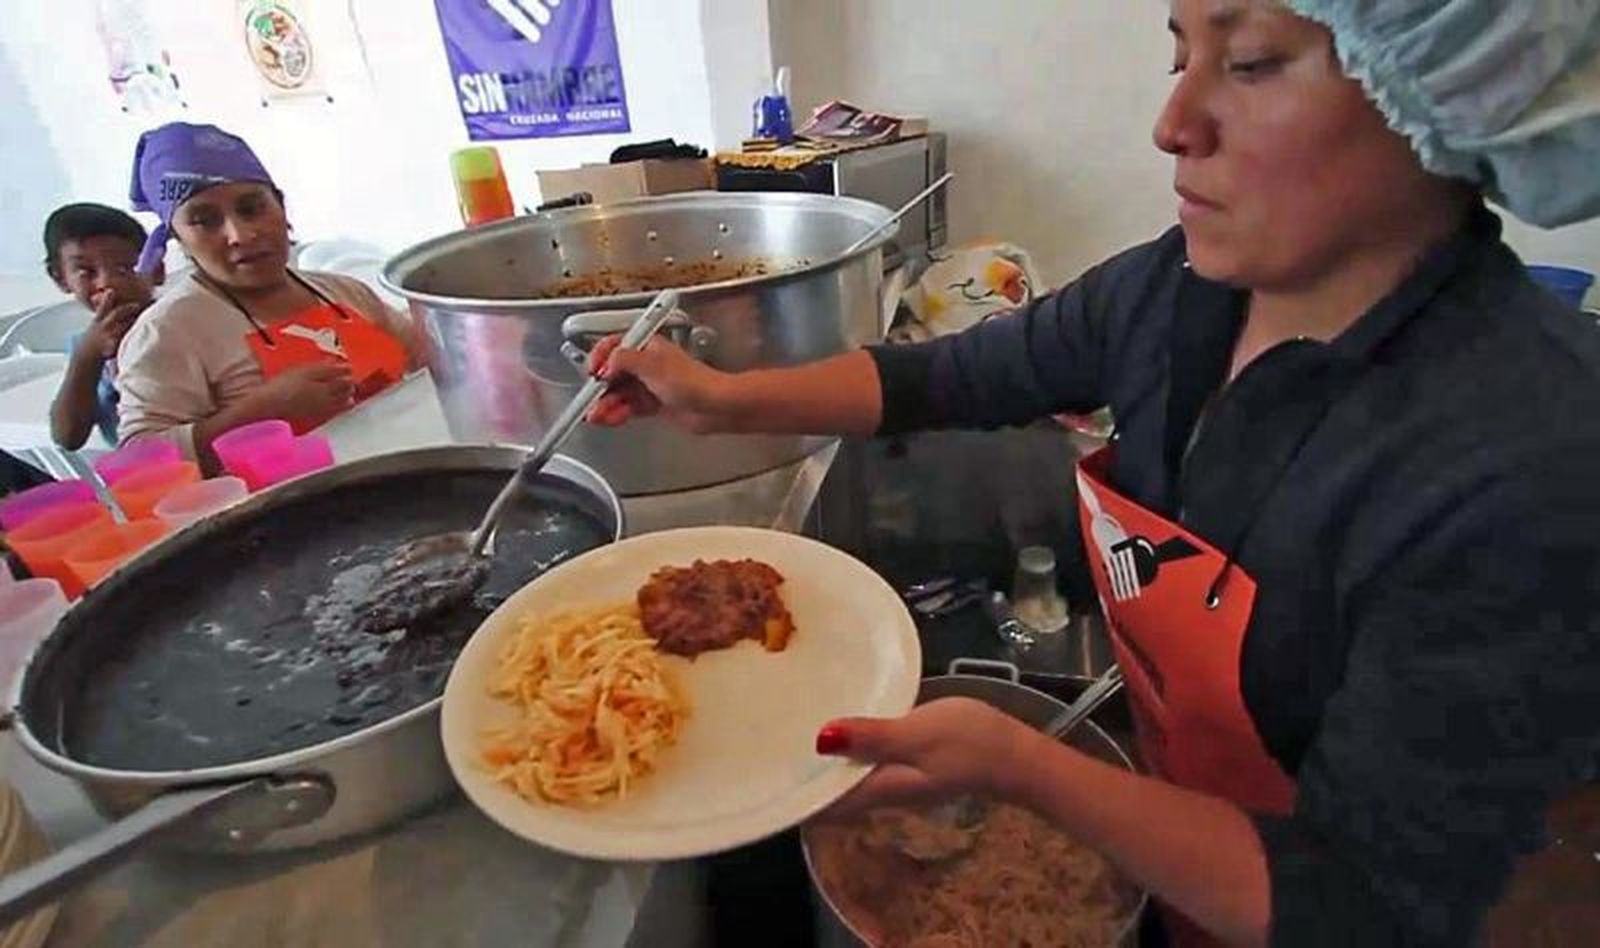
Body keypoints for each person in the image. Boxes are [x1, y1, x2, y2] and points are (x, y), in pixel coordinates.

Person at [586, 2, 1600, 945]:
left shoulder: (1526, 462)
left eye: (1250, 63)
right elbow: (946, 377)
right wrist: (722, 399)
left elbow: (1357, 899)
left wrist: (1021, 765)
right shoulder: (1174, 290)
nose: (1171, 123)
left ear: (1440, 98)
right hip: (1174, 839)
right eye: (1179, 53)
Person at [116, 122, 414, 471]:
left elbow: (428, 357)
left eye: (252, 208)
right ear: (178, 238)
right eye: (205, 221)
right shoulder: (169, 332)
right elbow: (139, 464)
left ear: (281, 207)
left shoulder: (344, 291)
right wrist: (261, 413)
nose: (240, 235)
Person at [41, 203, 160, 449]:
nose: (108, 282)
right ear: (60, 278)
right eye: (86, 271)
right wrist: (88, 356)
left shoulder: (181, 322)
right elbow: (68, 437)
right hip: (148, 468)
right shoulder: (85, 348)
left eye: (125, 268)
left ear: (157, 269)